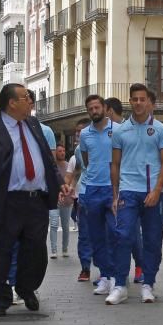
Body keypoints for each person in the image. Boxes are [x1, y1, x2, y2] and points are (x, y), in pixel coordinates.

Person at [0, 83, 65, 317]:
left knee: (35, 252)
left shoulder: (34, 125)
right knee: (1, 252)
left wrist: (60, 183)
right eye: (26, 98)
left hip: (35, 201)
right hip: (4, 201)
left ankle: (26, 287)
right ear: (12, 102)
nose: (31, 101)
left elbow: (46, 159)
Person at [105, 84, 163, 305]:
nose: (138, 103)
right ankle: (119, 285)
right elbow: (115, 164)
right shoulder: (120, 131)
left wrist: (157, 190)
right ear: (130, 102)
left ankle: (148, 283)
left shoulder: (162, 130)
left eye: (142, 99)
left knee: (153, 241)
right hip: (128, 192)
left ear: (150, 102)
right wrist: (115, 195)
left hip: (154, 193)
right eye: (134, 99)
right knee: (123, 237)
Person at [80, 95, 119, 295]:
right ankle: (104, 275)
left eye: (97, 107)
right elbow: (86, 161)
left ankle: (116, 276)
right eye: (90, 109)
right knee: (95, 236)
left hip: (113, 188)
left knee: (114, 234)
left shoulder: (119, 130)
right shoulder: (85, 134)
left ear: (105, 108)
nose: (94, 111)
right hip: (92, 188)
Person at [105, 97, 143, 284]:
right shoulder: (112, 132)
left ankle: (139, 267)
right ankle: (117, 275)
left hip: (136, 188)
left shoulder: (128, 129)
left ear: (110, 111)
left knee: (132, 234)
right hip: (122, 189)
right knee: (120, 233)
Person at [66, 120, 93, 281]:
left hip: (103, 191)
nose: (78, 134)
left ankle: (107, 270)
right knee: (84, 233)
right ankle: (85, 268)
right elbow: (78, 170)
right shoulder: (77, 150)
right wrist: (71, 186)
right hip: (84, 193)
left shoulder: (104, 144)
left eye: (81, 131)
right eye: (76, 132)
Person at [49, 144, 72, 259]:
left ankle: (65, 248)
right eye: (59, 151)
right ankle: (53, 249)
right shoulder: (52, 167)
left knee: (65, 225)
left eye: (63, 151)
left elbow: (71, 180)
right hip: (53, 199)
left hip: (66, 200)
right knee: (53, 224)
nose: (62, 153)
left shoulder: (68, 166)